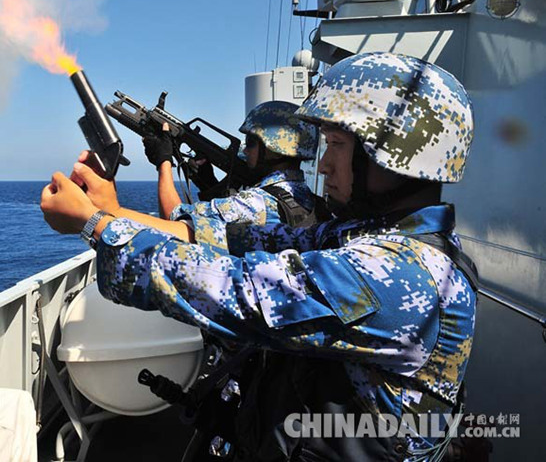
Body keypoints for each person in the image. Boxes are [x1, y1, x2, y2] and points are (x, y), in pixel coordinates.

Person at [41, 52, 477, 460]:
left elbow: (238, 290)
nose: (323, 166)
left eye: (338, 145)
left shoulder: (400, 273)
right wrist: (112, 212)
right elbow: (233, 240)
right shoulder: (370, 237)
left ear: (395, 155)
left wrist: (95, 226)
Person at [140, 101, 326, 240]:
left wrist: (163, 161)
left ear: (273, 148)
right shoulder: (308, 199)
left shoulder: (255, 203)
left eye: (252, 142)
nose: (245, 150)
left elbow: (174, 221)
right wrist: (209, 182)